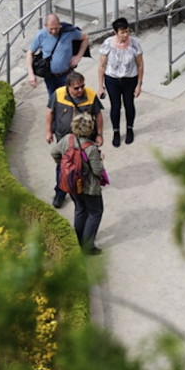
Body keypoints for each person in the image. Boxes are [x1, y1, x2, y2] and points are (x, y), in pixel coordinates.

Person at [46, 70, 103, 208]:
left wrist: (100, 134)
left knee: (85, 166)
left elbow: (98, 115)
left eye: (82, 86)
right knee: (63, 167)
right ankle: (60, 193)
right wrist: (48, 131)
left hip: (85, 140)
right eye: (76, 88)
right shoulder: (58, 94)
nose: (80, 90)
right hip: (64, 139)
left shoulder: (90, 95)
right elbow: (50, 112)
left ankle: (82, 190)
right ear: (68, 87)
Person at [51, 111, 106, 254]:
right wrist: (101, 159)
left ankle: (78, 240)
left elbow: (54, 153)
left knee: (80, 209)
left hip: (71, 183)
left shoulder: (67, 139)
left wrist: (63, 164)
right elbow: (98, 171)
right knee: (95, 212)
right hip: (89, 187)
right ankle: (88, 246)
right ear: (90, 128)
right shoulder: (91, 148)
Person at [97, 16, 144, 147]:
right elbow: (101, 65)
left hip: (130, 79)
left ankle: (129, 129)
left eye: (127, 31)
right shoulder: (107, 44)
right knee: (115, 106)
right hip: (112, 80)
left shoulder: (134, 43)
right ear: (115, 32)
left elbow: (140, 65)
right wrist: (100, 86)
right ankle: (116, 131)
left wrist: (139, 84)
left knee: (129, 104)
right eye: (122, 32)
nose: (125, 35)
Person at [26, 13, 90, 103]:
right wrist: (30, 73)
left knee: (70, 100)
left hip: (67, 75)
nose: (53, 31)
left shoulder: (68, 32)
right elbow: (30, 53)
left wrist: (78, 56)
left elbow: (85, 38)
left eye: (56, 28)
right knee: (53, 100)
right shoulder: (40, 35)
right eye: (51, 29)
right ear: (45, 26)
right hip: (50, 76)